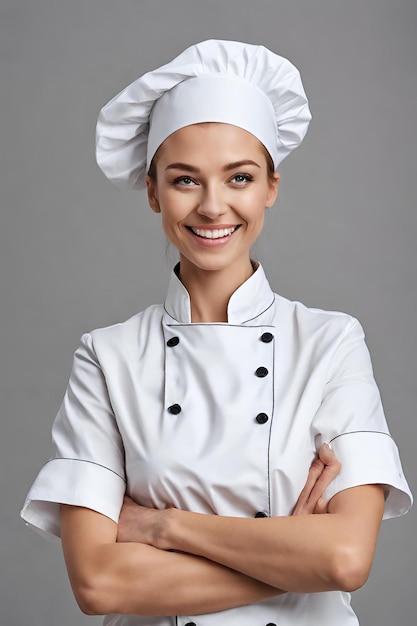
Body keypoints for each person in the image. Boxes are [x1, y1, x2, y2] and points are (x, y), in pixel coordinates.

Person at [21, 40, 412, 626]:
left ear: (270, 188)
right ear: (152, 191)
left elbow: (344, 559)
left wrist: (161, 526)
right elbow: (100, 585)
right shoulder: (108, 357)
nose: (213, 206)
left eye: (239, 177)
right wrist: (291, 553)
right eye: (184, 180)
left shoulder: (331, 343)